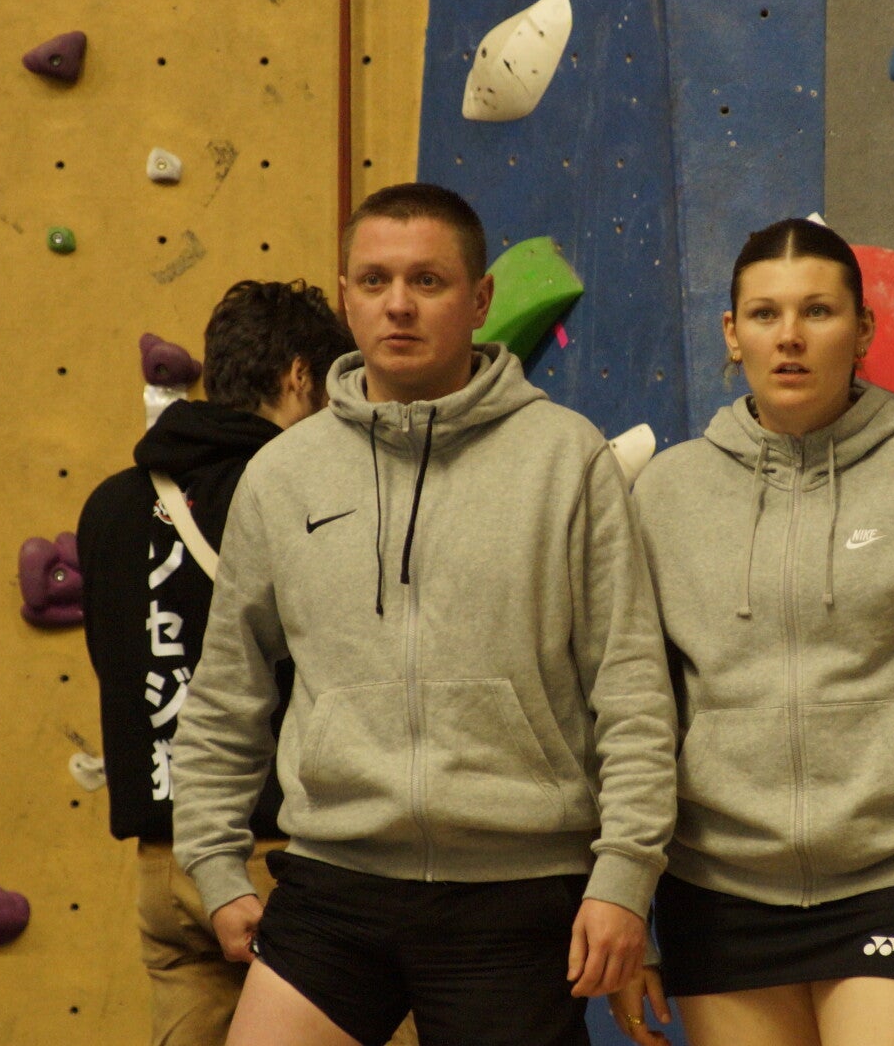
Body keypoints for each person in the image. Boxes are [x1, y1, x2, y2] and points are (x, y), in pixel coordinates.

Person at [171, 182, 677, 1046]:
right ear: (346, 297)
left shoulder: (565, 459)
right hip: (332, 882)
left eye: (427, 281)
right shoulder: (283, 474)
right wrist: (216, 867)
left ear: (479, 300)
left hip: (514, 894)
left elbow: (631, 692)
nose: (397, 304)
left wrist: (624, 878)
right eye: (374, 281)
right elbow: (227, 692)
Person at [613, 218, 894, 1046]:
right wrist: (625, 898)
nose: (789, 337)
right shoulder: (664, 495)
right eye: (764, 314)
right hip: (716, 888)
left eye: (817, 311)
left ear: (863, 330)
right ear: (731, 333)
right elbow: (634, 713)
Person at [79, 279, 387, 1044]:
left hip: (162, 863)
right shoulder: (296, 496)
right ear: (300, 377)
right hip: (278, 860)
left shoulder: (108, 506)